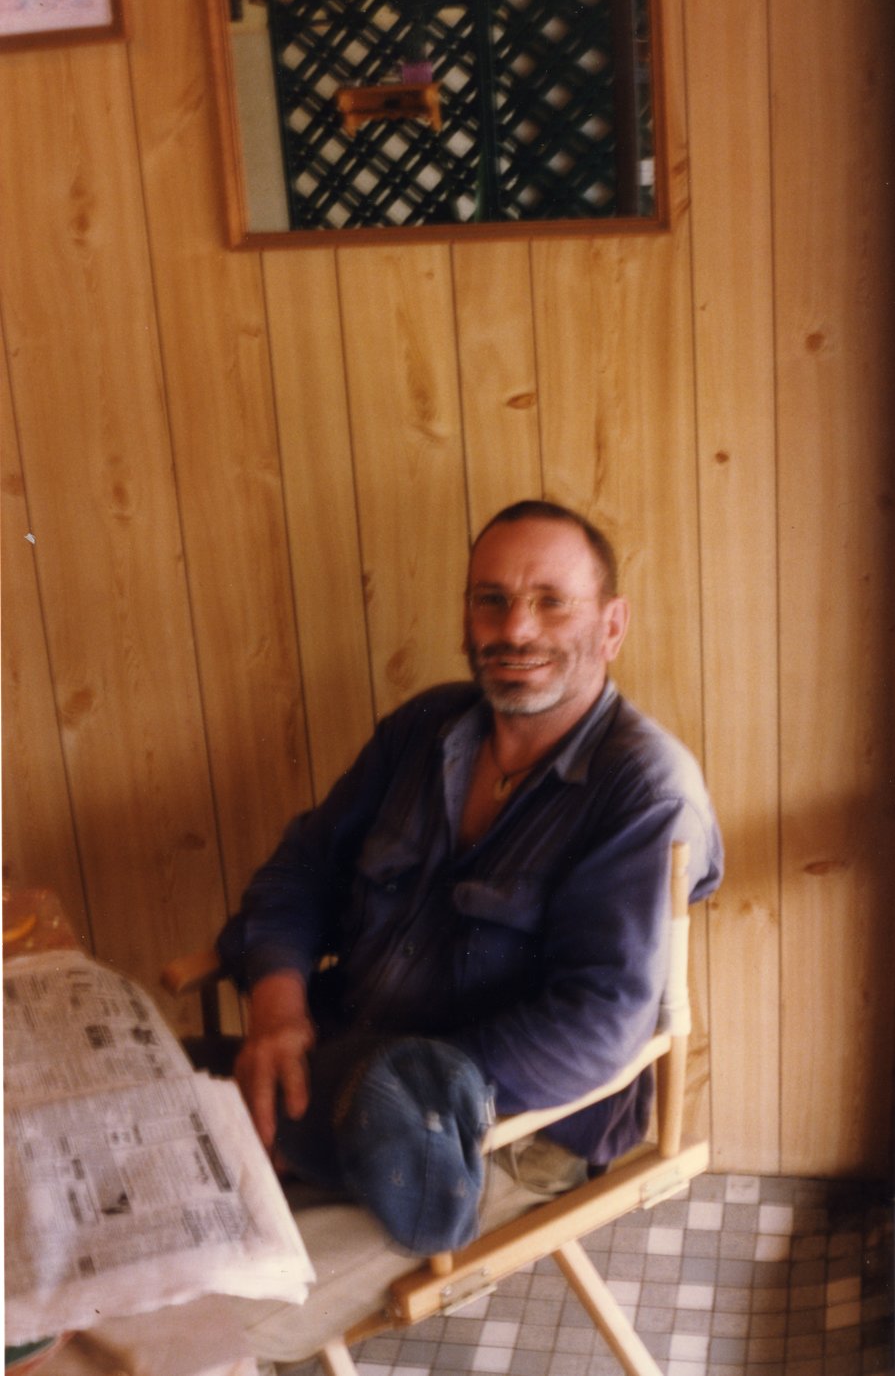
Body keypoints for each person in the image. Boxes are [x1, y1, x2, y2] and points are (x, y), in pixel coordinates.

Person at [217, 499, 722, 1250]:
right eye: (492, 600)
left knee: (219, 1238)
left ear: (611, 626)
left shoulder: (645, 789)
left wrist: (387, 1100)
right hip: (339, 1056)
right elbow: (299, 872)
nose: (515, 629)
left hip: (508, 1131)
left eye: (551, 602)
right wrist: (278, 1011)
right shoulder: (425, 728)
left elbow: (595, 1026)